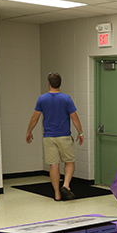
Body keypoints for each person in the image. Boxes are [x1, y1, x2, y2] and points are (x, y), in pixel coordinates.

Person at [25, 72, 85, 201]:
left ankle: (57, 193)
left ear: (48, 84)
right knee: (69, 161)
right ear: (60, 84)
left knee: (54, 165)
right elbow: (74, 118)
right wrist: (80, 132)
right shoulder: (66, 99)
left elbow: (34, 118)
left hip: (49, 137)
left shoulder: (42, 99)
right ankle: (66, 185)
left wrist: (29, 131)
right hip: (64, 136)